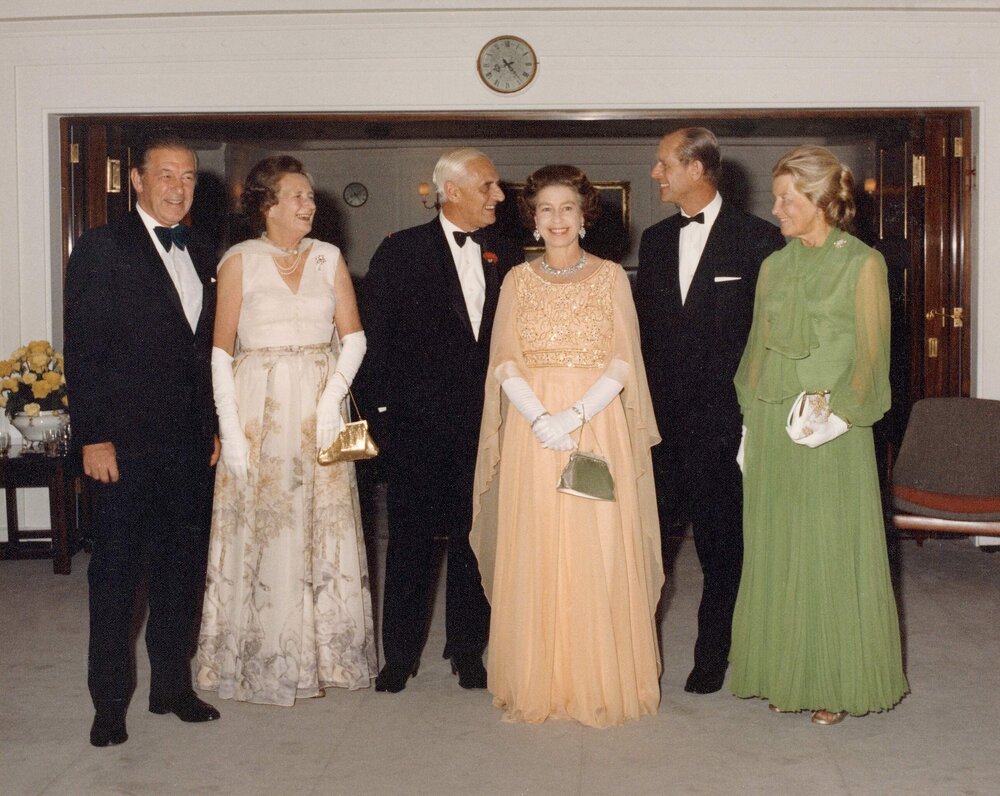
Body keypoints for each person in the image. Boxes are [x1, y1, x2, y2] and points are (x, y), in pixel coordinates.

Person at [470, 165, 663, 727]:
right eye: (546, 209)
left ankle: (598, 677)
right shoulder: (516, 280)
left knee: (596, 545)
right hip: (534, 433)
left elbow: (624, 359)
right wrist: (540, 417)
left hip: (596, 424)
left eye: (568, 209)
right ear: (532, 217)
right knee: (539, 545)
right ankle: (542, 678)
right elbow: (504, 358)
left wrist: (575, 414)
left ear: (585, 216)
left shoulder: (610, 278)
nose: (557, 219)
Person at [728, 145, 908, 724]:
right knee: (777, 549)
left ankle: (832, 682)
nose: (776, 208)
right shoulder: (774, 265)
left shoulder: (862, 263)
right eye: (777, 197)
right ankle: (789, 672)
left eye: (787, 198)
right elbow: (756, 346)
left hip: (830, 427)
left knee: (827, 552)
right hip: (771, 420)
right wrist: (747, 423)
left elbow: (872, 354)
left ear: (823, 200)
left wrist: (842, 414)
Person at [196, 155, 376, 705]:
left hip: (323, 400)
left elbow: (355, 338)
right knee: (265, 527)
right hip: (259, 405)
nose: (309, 204)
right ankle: (263, 658)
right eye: (297, 196)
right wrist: (229, 425)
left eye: (309, 196)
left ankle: (324, 655)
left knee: (325, 524)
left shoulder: (329, 257)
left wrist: (331, 400)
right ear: (267, 206)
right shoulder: (239, 261)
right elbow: (222, 350)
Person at [64, 130, 221, 747]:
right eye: (165, 175)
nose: (178, 187)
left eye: (187, 177)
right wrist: (93, 437)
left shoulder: (207, 251)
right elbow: (85, 350)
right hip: (122, 449)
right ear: (136, 180)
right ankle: (108, 705)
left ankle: (172, 689)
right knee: (117, 580)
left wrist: (209, 426)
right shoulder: (101, 250)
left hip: (188, 447)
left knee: (182, 572)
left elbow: (206, 353)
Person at [359, 148, 523, 693]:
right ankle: (399, 656)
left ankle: (467, 649)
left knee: (476, 541)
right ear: (451, 191)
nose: (499, 196)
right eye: (488, 186)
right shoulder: (400, 251)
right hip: (418, 428)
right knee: (409, 542)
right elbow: (375, 340)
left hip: (487, 426)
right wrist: (382, 419)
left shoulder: (504, 251)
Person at [634, 127, 786, 694]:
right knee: (647, 549)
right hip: (660, 430)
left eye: (663, 163)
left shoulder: (760, 240)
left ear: (696, 168)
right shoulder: (652, 241)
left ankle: (712, 657)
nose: (656, 173)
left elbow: (769, 338)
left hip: (727, 428)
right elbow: (645, 336)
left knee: (725, 553)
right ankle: (631, 654)